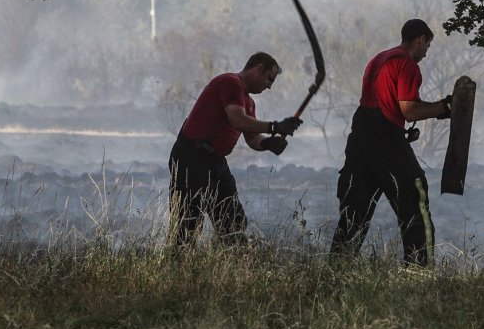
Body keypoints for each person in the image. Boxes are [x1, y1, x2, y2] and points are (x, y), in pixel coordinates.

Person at [330, 19, 451, 266]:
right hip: (384, 139)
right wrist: (445, 107)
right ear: (420, 39)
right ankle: (420, 271)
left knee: (354, 210)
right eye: (427, 46)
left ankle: (337, 268)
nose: (426, 54)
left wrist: (399, 130)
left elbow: (381, 105)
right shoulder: (406, 64)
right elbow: (409, 110)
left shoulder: (378, 59)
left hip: (360, 136)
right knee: (415, 201)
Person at [168, 52, 302, 246]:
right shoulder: (230, 82)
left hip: (215, 162)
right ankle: (177, 266)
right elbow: (237, 120)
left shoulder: (248, 102)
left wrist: (269, 143)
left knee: (232, 221)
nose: (270, 86)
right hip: (192, 157)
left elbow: (253, 139)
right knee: (186, 224)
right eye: (269, 79)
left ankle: (234, 267)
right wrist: (275, 127)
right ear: (258, 69)